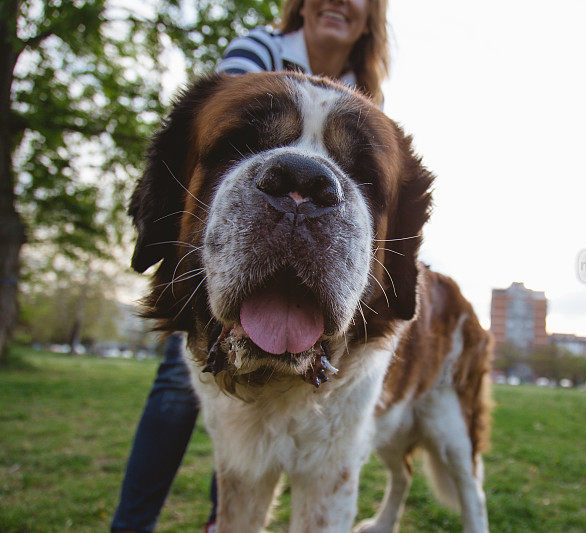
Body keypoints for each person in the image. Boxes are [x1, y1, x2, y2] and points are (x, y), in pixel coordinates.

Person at [111, 1, 390, 532]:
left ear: (369, 17)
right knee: (177, 389)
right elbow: (217, 121)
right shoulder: (258, 50)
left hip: (319, 280)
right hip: (227, 262)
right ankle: (133, 525)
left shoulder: (367, 88)